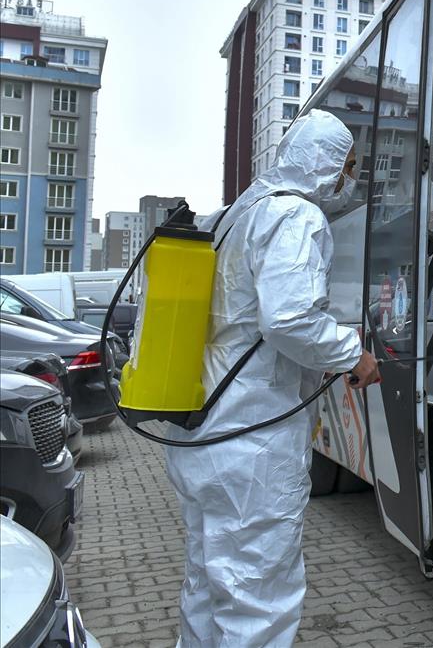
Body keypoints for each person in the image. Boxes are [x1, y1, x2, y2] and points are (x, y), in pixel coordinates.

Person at [165, 110, 379, 647]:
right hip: (252, 446)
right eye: (347, 166)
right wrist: (354, 353)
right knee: (258, 599)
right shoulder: (295, 218)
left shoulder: (234, 215)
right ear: (327, 162)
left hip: (201, 432)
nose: (347, 178)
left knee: (207, 583)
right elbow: (289, 320)